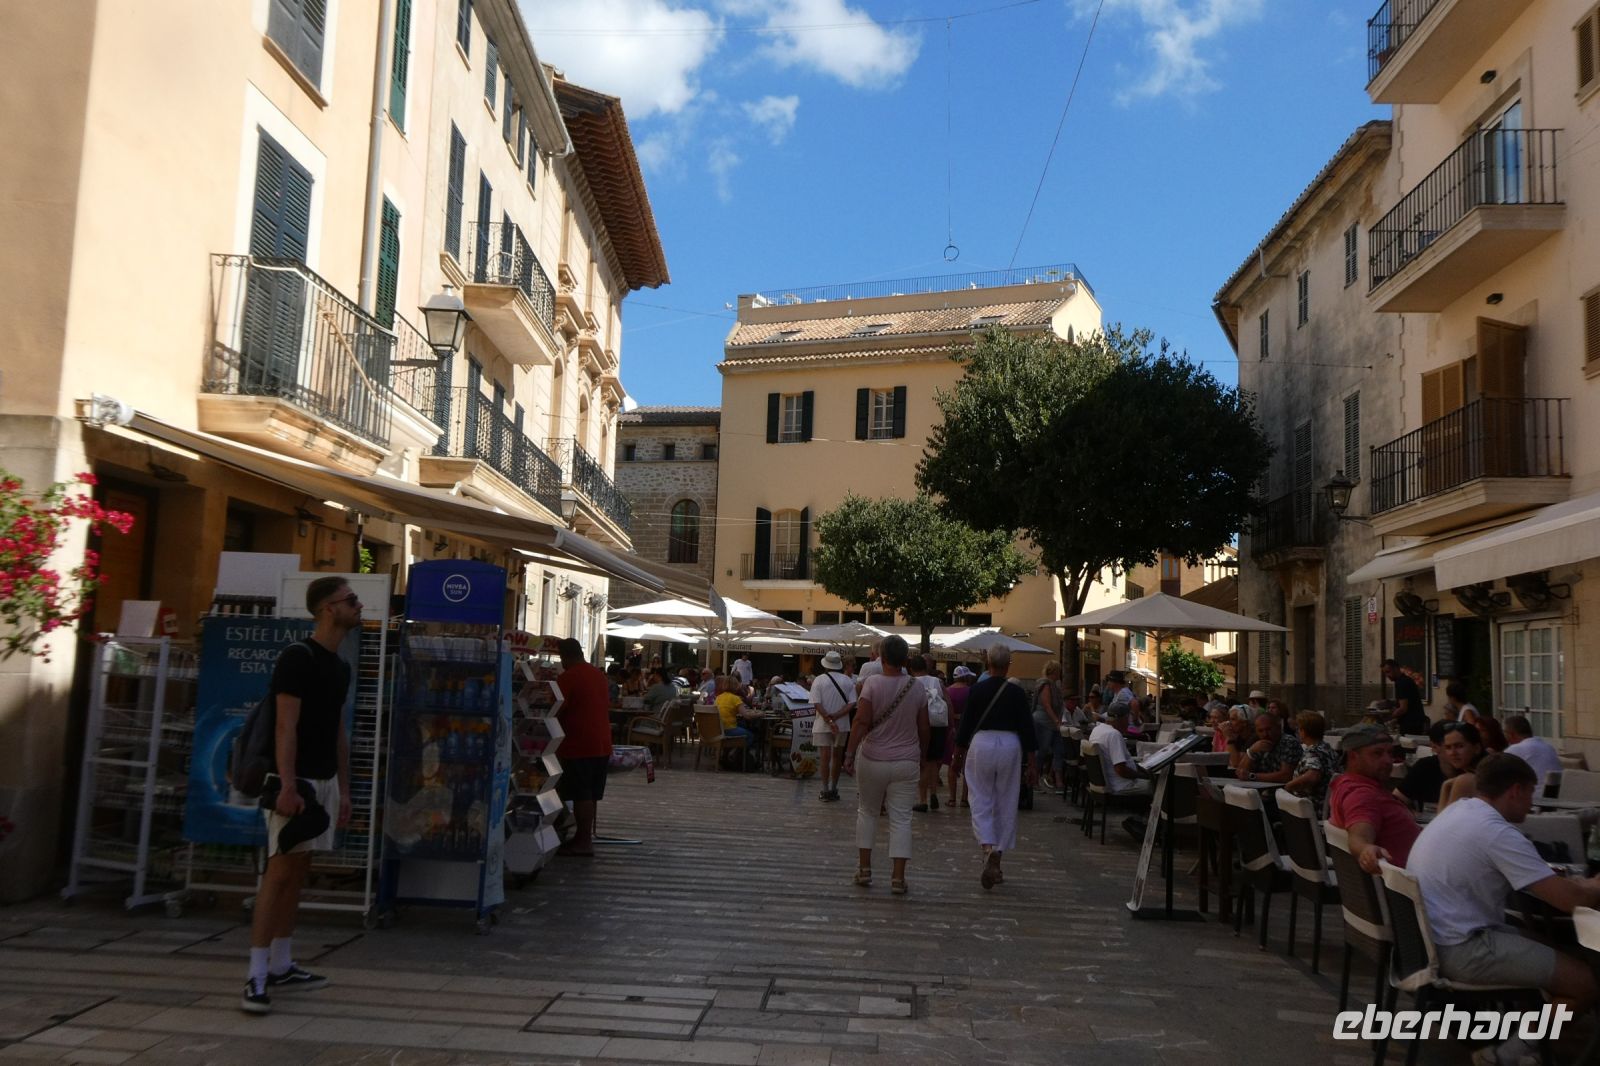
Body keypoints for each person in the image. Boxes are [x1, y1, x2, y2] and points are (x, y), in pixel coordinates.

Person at [1406, 754, 1600, 1063]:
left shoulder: (1459, 811)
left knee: (1555, 949)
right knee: (1586, 983)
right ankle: (1504, 1054)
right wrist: (1592, 886)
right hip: (1463, 950)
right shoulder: (1496, 832)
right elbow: (1570, 901)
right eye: (1530, 793)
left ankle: (1531, 1044)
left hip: (1431, 942)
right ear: (1515, 790)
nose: (1532, 803)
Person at [241, 576, 359, 1015]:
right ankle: (255, 975)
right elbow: (284, 726)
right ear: (329, 608)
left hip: (324, 781)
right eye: (351, 600)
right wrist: (288, 785)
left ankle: (281, 962)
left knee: (299, 869)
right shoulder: (297, 658)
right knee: (278, 872)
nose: (358, 606)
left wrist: (344, 788)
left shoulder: (340, 666)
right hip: (295, 781)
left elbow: (338, 731)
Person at [843, 635, 928, 895]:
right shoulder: (917, 687)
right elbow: (924, 727)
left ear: (882, 658)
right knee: (902, 818)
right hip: (906, 760)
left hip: (872, 758)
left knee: (867, 812)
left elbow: (860, 722)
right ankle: (898, 878)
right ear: (905, 659)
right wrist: (922, 756)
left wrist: (849, 753)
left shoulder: (871, 684)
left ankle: (864, 869)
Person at [954, 645, 1039, 889]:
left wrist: (958, 754)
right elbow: (1027, 727)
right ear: (1008, 665)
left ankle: (987, 846)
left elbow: (966, 724)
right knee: (1007, 800)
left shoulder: (977, 690)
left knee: (980, 797)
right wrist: (1032, 762)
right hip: (1010, 745)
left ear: (988, 662)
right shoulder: (1017, 693)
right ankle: (998, 855)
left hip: (982, 743)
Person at [1328, 724, 1421, 873]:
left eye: (1390, 753)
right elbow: (1359, 836)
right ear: (1353, 756)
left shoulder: (1348, 785)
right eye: (1377, 753)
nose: (1388, 760)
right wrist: (1365, 849)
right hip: (1410, 882)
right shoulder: (1362, 795)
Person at [555, 638, 612, 857]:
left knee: (581, 794)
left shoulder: (569, 677)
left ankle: (583, 840)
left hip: (579, 743)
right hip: (601, 741)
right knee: (590, 793)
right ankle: (583, 836)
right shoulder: (598, 674)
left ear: (565, 656)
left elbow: (556, 707)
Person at [810, 650, 856, 803]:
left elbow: (816, 703)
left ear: (825, 665)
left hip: (822, 723)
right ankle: (834, 788)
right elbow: (852, 703)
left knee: (824, 756)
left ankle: (824, 789)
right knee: (837, 756)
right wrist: (836, 716)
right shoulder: (848, 681)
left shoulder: (818, 680)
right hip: (842, 724)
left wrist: (828, 719)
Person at [1088, 701, 1154, 799]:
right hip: (1122, 785)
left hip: (1108, 782)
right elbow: (1121, 770)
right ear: (1121, 719)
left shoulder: (1097, 729)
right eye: (1127, 719)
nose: (1128, 723)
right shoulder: (1113, 734)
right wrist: (1142, 775)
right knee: (1160, 785)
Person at [909, 655, 948, 812]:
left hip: (920, 725)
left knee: (923, 762)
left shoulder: (911, 683)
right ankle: (933, 793)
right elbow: (948, 701)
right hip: (938, 724)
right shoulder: (937, 681)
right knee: (933, 762)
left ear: (912, 669)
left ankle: (923, 799)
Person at [1284, 711, 1340, 814]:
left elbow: (1313, 775)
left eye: (1298, 729)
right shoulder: (1328, 749)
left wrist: (1288, 786)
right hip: (1330, 808)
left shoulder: (1313, 752)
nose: (1297, 732)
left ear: (1303, 731)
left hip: (1311, 810)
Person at [1231, 712, 1301, 783]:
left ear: (1278, 727)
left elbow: (1286, 776)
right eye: (1260, 731)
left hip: (1281, 788)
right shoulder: (1258, 743)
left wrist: (1252, 776)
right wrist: (1251, 752)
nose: (1265, 734)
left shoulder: (1288, 742)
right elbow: (1240, 772)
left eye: (1268, 729)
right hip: (1260, 787)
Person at [1435, 721, 1487, 811]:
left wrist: (1445, 787)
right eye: (1448, 747)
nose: (1453, 753)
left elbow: (1444, 818)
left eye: (1459, 746)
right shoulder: (1486, 770)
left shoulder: (1466, 780)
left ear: (1477, 748)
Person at [1030, 661, 1066, 792]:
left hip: (1053, 723)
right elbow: (1046, 705)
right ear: (1054, 671)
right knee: (1041, 751)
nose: (1060, 673)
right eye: (1059, 671)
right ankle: (1034, 781)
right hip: (1043, 722)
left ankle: (1058, 781)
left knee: (1059, 750)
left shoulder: (1054, 685)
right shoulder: (1045, 685)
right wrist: (1056, 720)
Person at [945, 665, 974, 808]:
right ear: (966, 677)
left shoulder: (947, 690)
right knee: (967, 765)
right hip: (968, 731)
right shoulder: (971, 691)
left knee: (953, 764)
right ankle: (964, 799)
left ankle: (952, 798)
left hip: (952, 730)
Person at [1503, 715, 1562, 783]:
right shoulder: (1548, 747)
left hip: (1536, 789)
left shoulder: (1514, 750)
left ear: (1511, 734)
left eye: (1504, 732)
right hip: (1558, 788)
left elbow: (1499, 775)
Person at [714, 675, 756, 766]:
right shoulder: (736, 698)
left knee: (742, 725)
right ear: (736, 686)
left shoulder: (718, 698)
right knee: (750, 736)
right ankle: (737, 756)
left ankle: (726, 756)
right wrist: (760, 714)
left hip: (719, 730)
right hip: (729, 729)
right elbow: (747, 716)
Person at [1382, 659, 1428, 734]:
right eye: (1385, 673)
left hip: (1411, 724)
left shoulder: (1402, 683)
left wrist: (1388, 717)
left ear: (1396, 668)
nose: (1387, 675)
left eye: (1388, 672)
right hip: (1414, 722)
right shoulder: (1405, 680)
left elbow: (1403, 708)